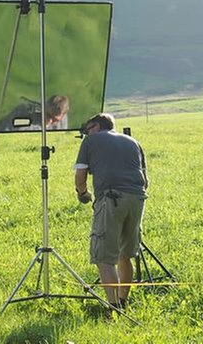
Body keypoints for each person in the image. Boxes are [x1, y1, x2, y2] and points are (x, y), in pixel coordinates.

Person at [74, 113, 148, 311]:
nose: (86, 133)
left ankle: (112, 308)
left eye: (88, 129)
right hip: (137, 198)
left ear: (96, 127)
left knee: (104, 258)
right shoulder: (133, 142)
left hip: (110, 198)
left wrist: (83, 193)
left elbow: (80, 176)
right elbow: (145, 180)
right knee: (126, 254)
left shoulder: (91, 141)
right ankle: (123, 301)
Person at [0, 95, 69, 131]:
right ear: (44, 107)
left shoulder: (63, 121)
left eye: (55, 120)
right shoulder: (23, 111)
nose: (49, 121)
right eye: (48, 115)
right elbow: (3, 129)